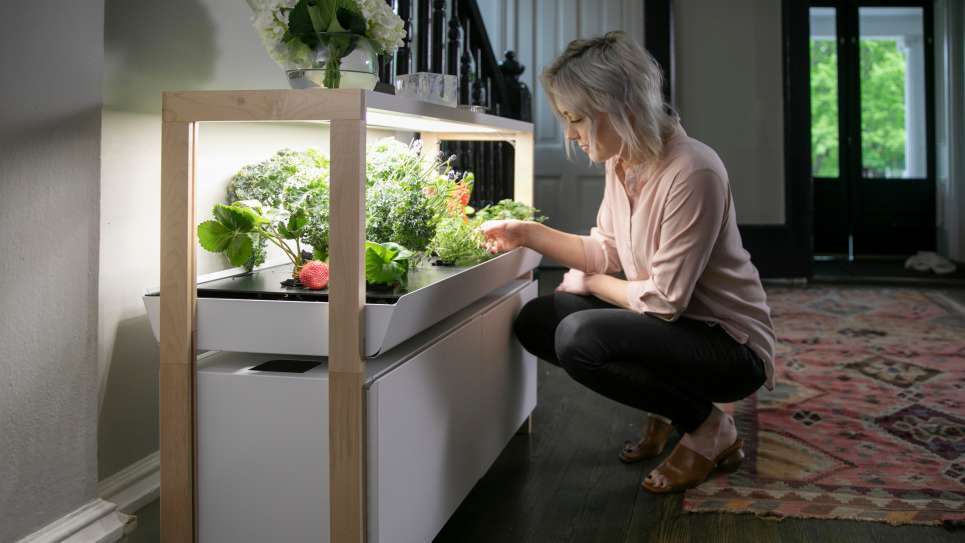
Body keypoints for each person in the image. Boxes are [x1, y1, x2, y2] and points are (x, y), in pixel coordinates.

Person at [479, 32, 775, 494]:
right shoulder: (623, 162)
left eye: (576, 119)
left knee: (580, 337)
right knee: (538, 320)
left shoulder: (693, 170)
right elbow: (607, 250)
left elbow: (661, 302)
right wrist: (528, 233)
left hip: (729, 348)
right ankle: (671, 406)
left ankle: (708, 427)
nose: (570, 135)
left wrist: (594, 282)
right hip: (673, 330)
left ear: (622, 109)